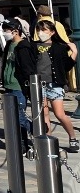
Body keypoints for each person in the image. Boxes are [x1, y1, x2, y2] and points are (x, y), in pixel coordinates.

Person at [35, 19, 79, 152]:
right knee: (44, 114)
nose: (41, 33)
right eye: (39, 30)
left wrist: (74, 54)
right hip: (38, 83)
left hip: (54, 84)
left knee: (60, 114)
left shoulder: (59, 47)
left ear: (52, 32)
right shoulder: (33, 46)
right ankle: (48, 141)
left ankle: (72, 138)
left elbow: (65, 66)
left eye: (44, 30)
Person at [1, 18, 36, 150]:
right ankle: (22, 143)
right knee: (13, 117)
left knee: (19, 116)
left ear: (16, 31)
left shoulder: (23, 46)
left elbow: (28, 68)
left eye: (7, 30)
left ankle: (36, 130)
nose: (5, 33)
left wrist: (29, 87)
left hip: (18, 86)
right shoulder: (9, 45)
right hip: (8, 84)